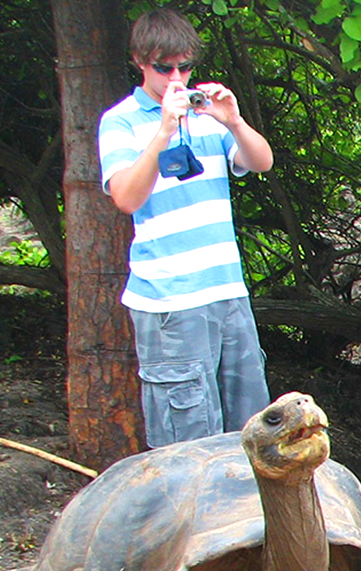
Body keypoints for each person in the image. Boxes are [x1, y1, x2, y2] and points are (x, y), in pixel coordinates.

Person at [98, 9, 274, 448]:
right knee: (188, 437)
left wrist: (232, 120)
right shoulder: (119, 122)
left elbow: (261, 161)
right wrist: (162, 131)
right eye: (164, 67)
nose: (176, 77)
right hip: (170, 301)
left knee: (251, 425)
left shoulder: (208, 116)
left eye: (185, 66)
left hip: (227, 292)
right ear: (140, 61)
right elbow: (125, 197)